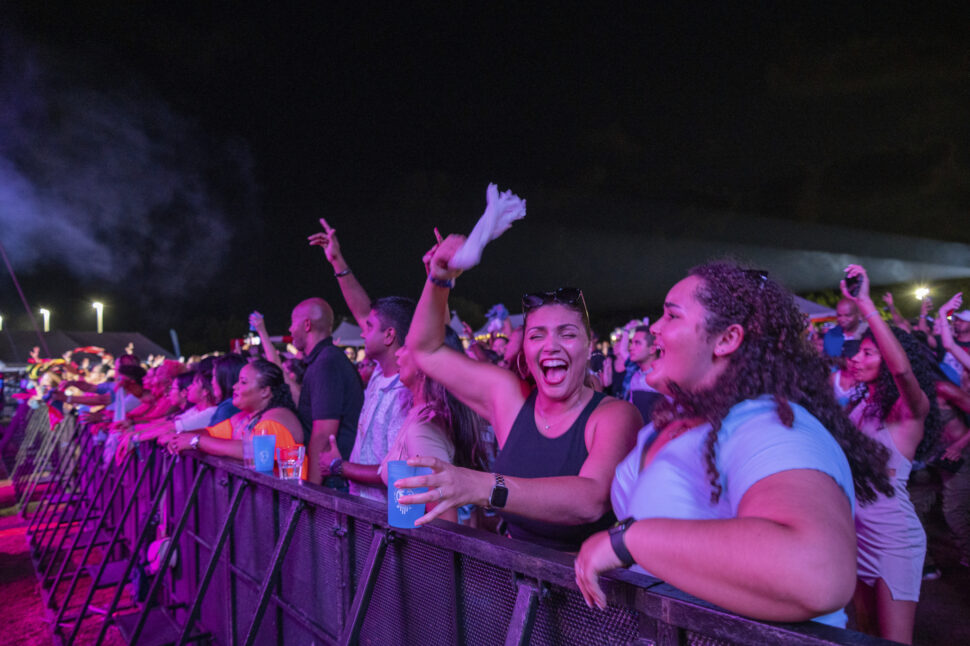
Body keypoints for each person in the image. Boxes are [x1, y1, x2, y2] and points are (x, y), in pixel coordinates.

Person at [574, 262, 893, 628]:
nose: (655, 328)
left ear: (726, 339)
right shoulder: (668, 423)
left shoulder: (766, 423)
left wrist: (627, 542)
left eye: (671, 316)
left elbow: (818, 571)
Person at [394, 234, 641, 551]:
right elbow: (424, 350)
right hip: (516, 586)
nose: (551, 345)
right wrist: (438, 279)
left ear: (588, 346)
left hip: (586, 593)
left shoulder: (614, 415)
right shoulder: (508, 399)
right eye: (537, 335)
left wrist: (482, 485)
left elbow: (589, 500)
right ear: (525, 351)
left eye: (567, 333)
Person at [842, 264, 940, 644]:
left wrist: (865, 303)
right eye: (857, 353)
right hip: (858, 535)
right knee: (865, 634)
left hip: (893, 538)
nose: (856, 358)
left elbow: (902, 371)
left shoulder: (909, 411)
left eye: (870, 353)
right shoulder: (860, 406)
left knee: (894, 641)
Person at [318, 328, 489, 519]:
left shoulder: (422, 429)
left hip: (415, 545)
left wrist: (412, 544)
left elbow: (444, 520)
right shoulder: (418, 413)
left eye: (406, 347)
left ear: (425, 364)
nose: (398, 352)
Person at [308, 218, 414, 499]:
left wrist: (338, 467)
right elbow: (362, 309)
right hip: (363, 507)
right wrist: (337, 262)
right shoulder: (380, 373)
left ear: (390, 335)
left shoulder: (409, 389)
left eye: (369, 328)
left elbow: (396, 472)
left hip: (392, 520)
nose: (363, 332)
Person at [168, 360, 306, 477]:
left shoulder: (275, 418)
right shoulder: (245, 417)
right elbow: (211, 433)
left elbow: (253, 450)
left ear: (265, 391)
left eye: (243, 382)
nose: (235, 386)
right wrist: (181, 438)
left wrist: (196, 441)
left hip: (288, 505)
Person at [288, 296, 364, 485]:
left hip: (334, 482)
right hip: (333, 478)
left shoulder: (326, 362)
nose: (290, 330)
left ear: (307, 325)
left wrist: (313, 492)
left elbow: (323, 434)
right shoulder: (323, 360)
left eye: (292, 323)